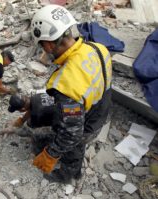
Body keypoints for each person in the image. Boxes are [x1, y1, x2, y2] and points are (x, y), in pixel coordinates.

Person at [30, 4, 112, 183]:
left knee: (73, 145)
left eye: (43, 45)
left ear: (50, 43)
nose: (44, 50)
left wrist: (50, 154)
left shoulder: (67, 83)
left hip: (87, 126)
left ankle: (69, 174)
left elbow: (72, 134)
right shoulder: (97, 48)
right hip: (101, 112)